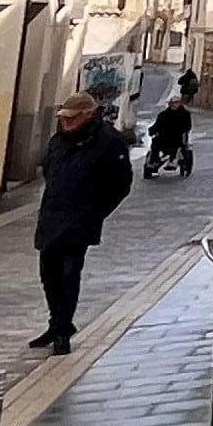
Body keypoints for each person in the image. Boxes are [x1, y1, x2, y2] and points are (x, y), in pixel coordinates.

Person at [31, 90, 133, 355]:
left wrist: (96, 211)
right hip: (52, 216)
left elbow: (121, 183)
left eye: (72, 118)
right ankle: (57, 323)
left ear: (88, 115)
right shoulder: (58, 141)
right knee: (48, 275)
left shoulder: (108, 142)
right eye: (63, 118)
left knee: (68, 274)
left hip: (81, 220)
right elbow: (48, 169)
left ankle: (62, 331)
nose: (66, 122)